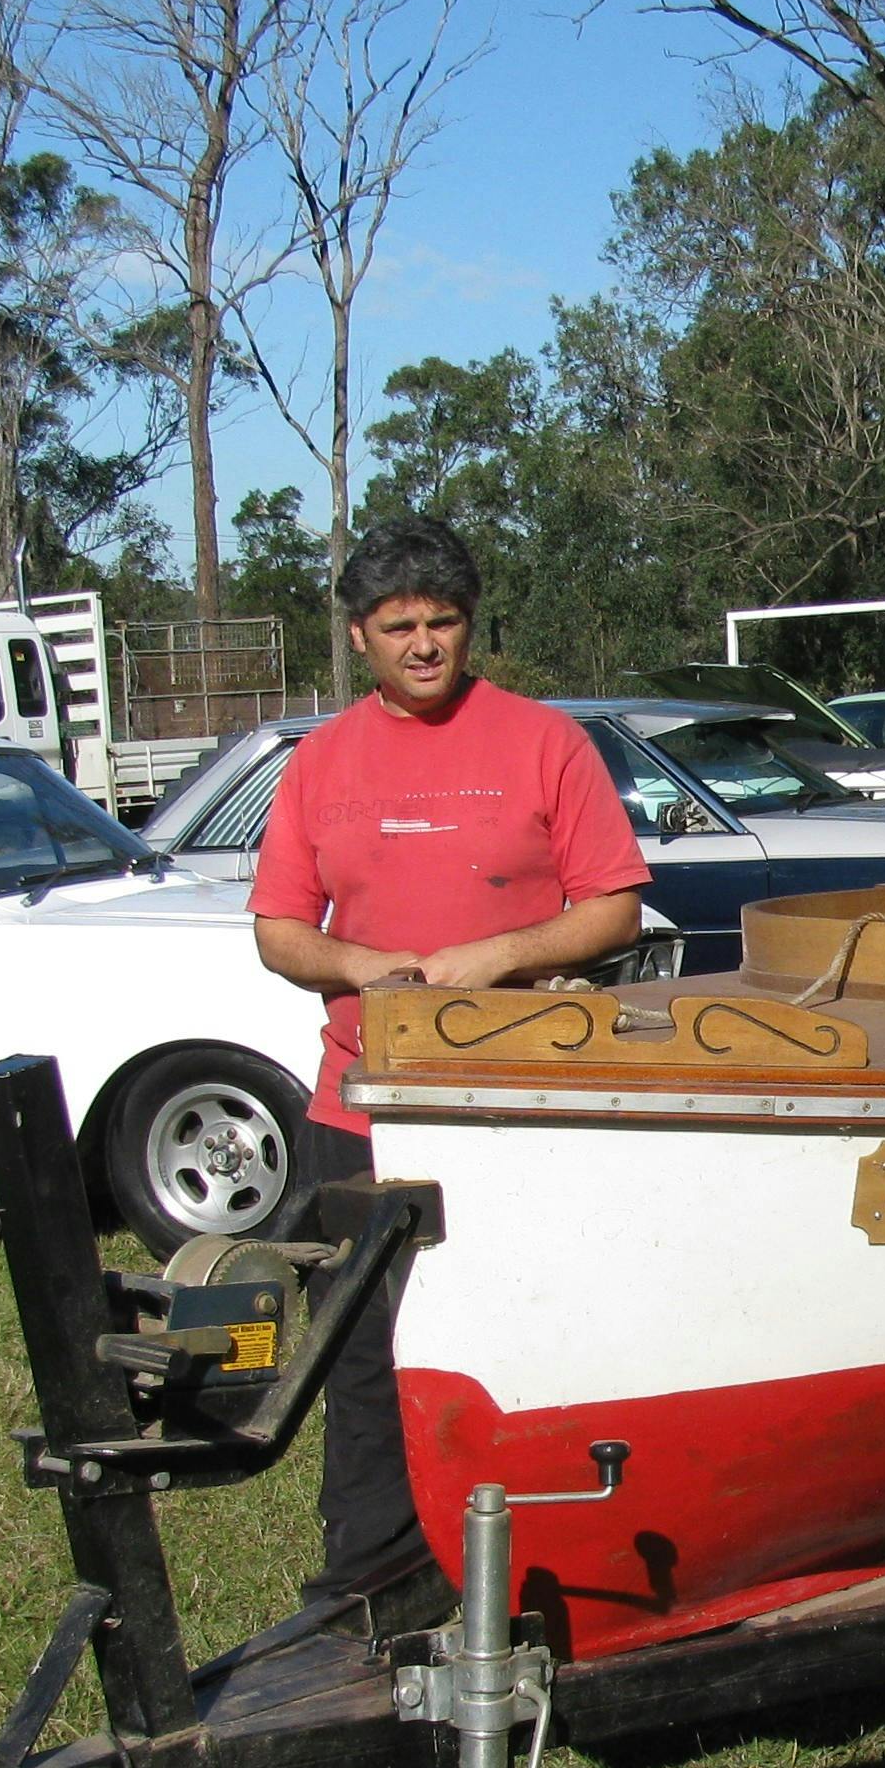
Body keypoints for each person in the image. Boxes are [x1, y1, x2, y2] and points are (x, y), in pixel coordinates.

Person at [248, 516, 650, 1638]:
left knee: (533, 1333)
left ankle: (553, 1571)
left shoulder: (543, 744)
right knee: (366, 1356)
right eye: (399, 627)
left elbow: (612, 903)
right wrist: (362, 967)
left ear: (470, 627)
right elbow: (280, 932)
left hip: (516, 1110)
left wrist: (502, 956)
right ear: (359, 637)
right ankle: (368, 1588)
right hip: (360, 1113)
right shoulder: (320, 763)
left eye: (443, 623)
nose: (424, 645)